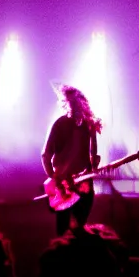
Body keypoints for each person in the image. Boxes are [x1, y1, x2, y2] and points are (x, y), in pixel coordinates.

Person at [41, 84, 102, 236]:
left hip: (82, 186)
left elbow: (93, 156)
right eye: (71, 102)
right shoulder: (61, 123)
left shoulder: (89, 125)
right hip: (65, 188)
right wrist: (55, 180)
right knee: (68, 231)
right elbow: (46, 155)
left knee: (73, 231)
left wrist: (94, 164)